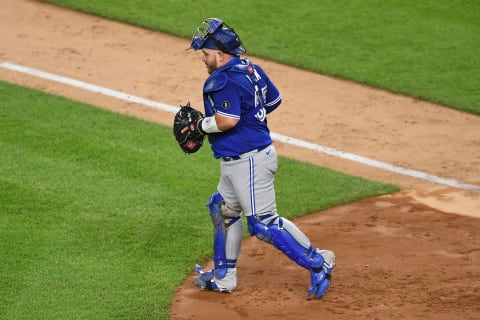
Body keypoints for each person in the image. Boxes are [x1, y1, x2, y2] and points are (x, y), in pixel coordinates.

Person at [187, 17, 336, 299]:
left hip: (250, 162)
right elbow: (272, 102)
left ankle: (319, 261)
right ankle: (224, 277)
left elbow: (227, 120)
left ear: (220, 54)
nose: (203, 59)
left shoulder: (222, 79)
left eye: (205, 54)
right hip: (239, 159)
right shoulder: (251, 69)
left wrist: (201, 126)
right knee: (223, 210)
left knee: (264, 224)